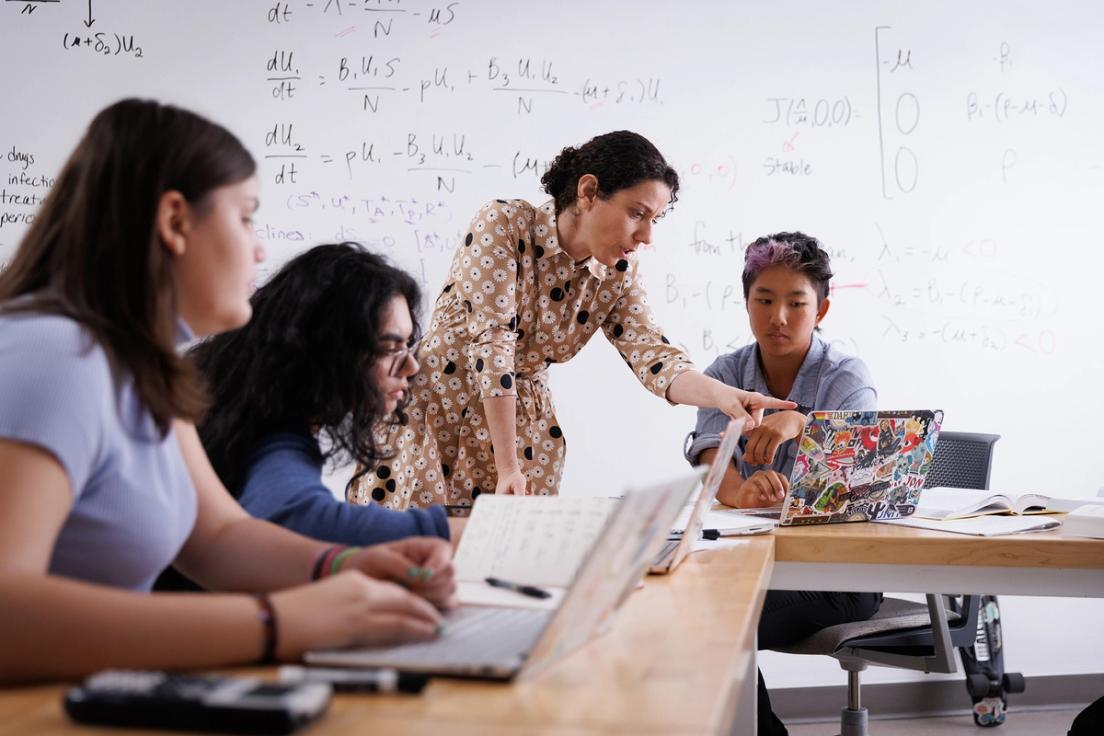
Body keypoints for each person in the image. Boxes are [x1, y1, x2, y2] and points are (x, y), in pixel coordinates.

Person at [0, 98, 454, 684]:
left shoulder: (140, 365)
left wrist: (346, 564)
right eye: (244, 217)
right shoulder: (56, 358)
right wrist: (277, 622)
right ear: (175, 222)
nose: (260, 248)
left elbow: (217, 537)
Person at [348, 130, 794, 511]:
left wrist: (725, 396)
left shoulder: (616, 272)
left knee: (512, 573)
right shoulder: (504, 224)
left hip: (525, 429)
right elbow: (493, 347)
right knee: (416, 561)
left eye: (654, 219)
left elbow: (654, 358)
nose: (646, 236)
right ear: (587, 192)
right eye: (637, 213)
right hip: (440, 412)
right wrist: (507, 466)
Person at [683, 232, 879, 736]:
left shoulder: (845, 376)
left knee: (719, 619)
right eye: (764, 301)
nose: (779, 317)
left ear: (822, 309)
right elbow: (711, 456)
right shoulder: (725, 374)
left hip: (839, 576)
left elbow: (858, 475)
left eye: (797, 303)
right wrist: (742, 493)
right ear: (746, 304)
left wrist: (803, 424)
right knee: (690, 612)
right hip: (753, 565)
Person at [191, 243, 455, 545]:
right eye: (390, 347)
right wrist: (476, 532)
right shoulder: (270, 430)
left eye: (408, 345)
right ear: (330, 348)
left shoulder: (241, 400)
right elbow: (299, 518)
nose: (411, 365)